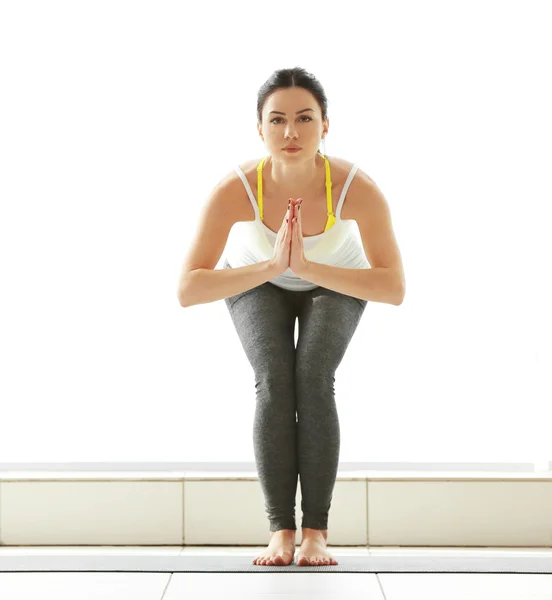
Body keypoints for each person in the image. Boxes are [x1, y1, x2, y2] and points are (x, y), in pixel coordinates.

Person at [177, 67, 405, 567]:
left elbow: (393, 287)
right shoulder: (235, 189)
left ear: (326, 125)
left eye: (305, 118)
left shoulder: (354, 187)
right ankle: (281, 531)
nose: (291, 132)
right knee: (274, 382)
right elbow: (189, 288)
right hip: (257, 279)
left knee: (314, 378)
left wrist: (306, 266)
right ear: (259, 128)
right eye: (277, 120)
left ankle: (316, 533)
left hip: (334, 280)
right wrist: (272, 266)